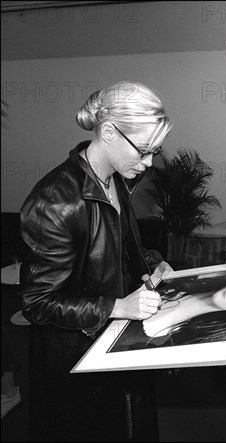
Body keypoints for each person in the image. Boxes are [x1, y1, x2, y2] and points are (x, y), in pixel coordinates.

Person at [18, 80, 174, 442]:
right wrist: (119, 306)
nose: (149, 163)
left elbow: (117, 247)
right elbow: (37, 302)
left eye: (155, 151)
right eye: (144, 151)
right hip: (77, 360)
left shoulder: (114, 179)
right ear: (108, 132)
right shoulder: (56, 202)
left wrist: (153, 265)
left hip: (115, 343)